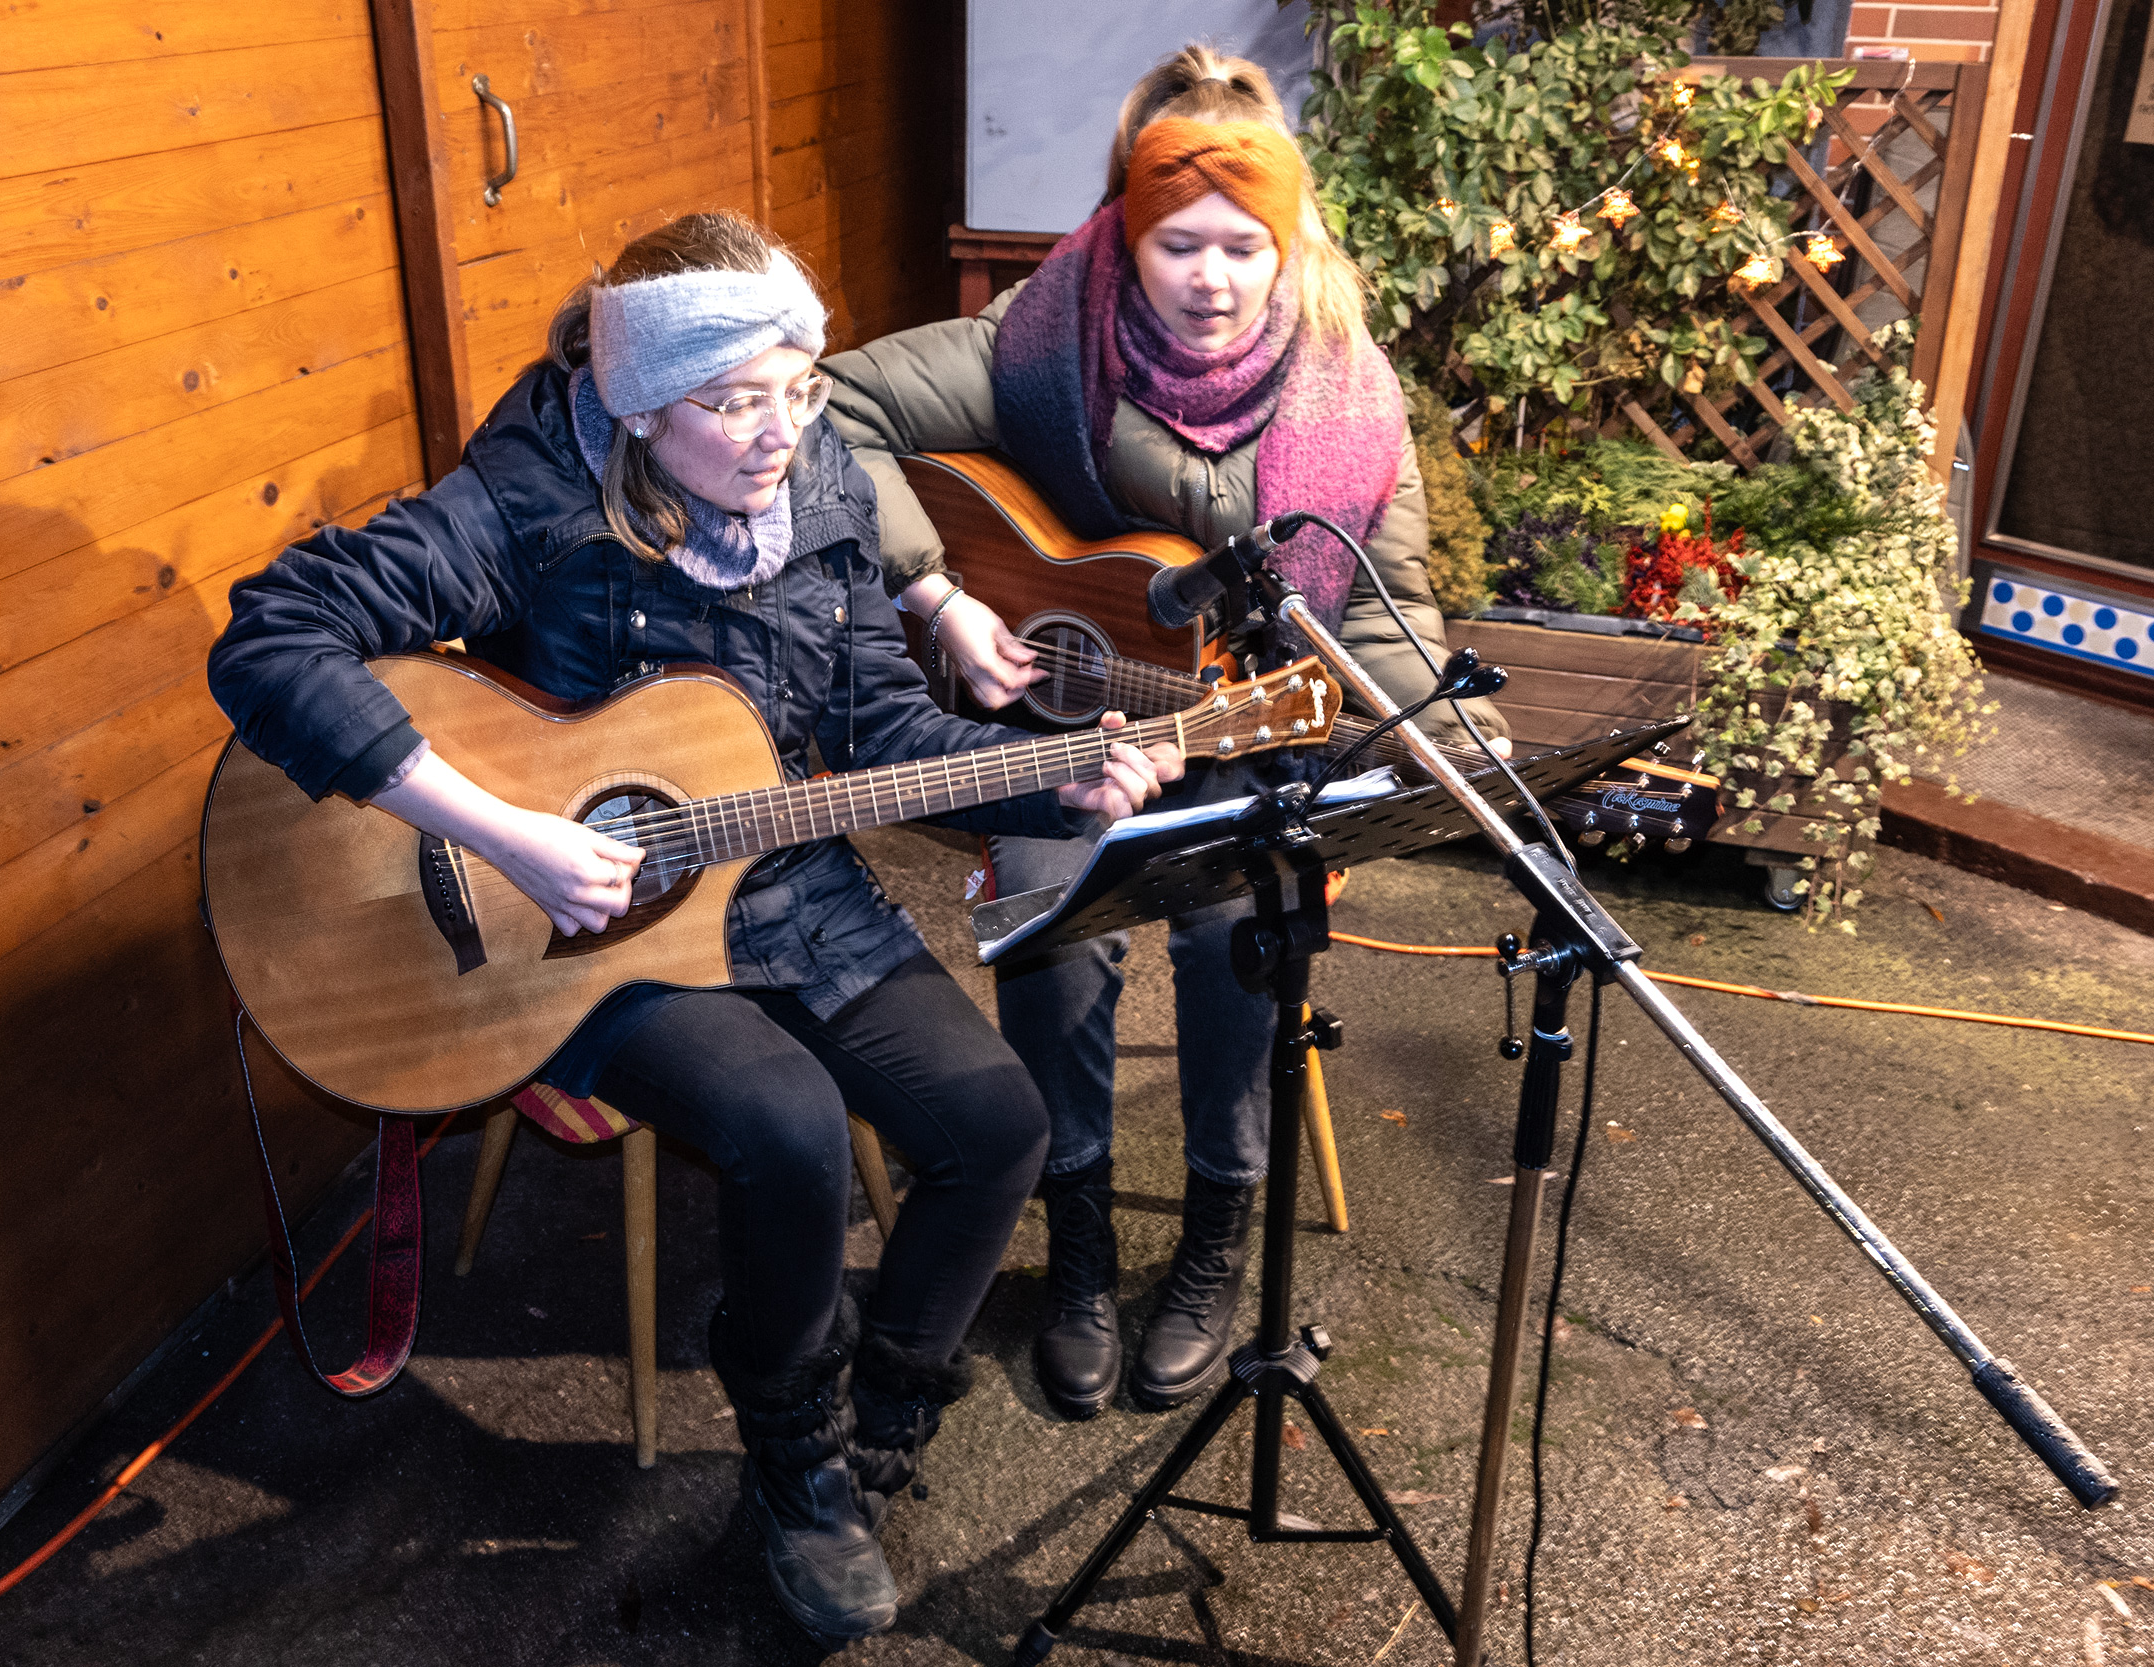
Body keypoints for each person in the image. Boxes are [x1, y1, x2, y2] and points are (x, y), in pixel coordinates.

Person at [206, 212, 1179, 1642]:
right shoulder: (536, 487)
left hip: (783, 878)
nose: (779, 430)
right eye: (734, 404)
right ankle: (790, 1467)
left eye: (797, 385)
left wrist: (1045, 772)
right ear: (639, 402)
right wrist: (503, 831)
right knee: (786, 1126)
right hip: (579, 928)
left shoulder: (823, 469)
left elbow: (874, 723)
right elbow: (270, 636)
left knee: (998, 1126)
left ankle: (866, 1437)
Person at [822, 46, 1508, 1423]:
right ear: (1128, 240)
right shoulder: (1041, 343)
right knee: (1049, 912)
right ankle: (1076, 1243)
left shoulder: (1354, 403)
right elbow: (831, 402)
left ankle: (1215, 1231)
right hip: (1067, 733)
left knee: (1230, 926)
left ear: (1287, 245)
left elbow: (1390, 606)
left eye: (1241, 247)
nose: (1209, 277)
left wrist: (1436, 733)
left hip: (1252, 731)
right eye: (1176, 243)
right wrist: (944, 597)